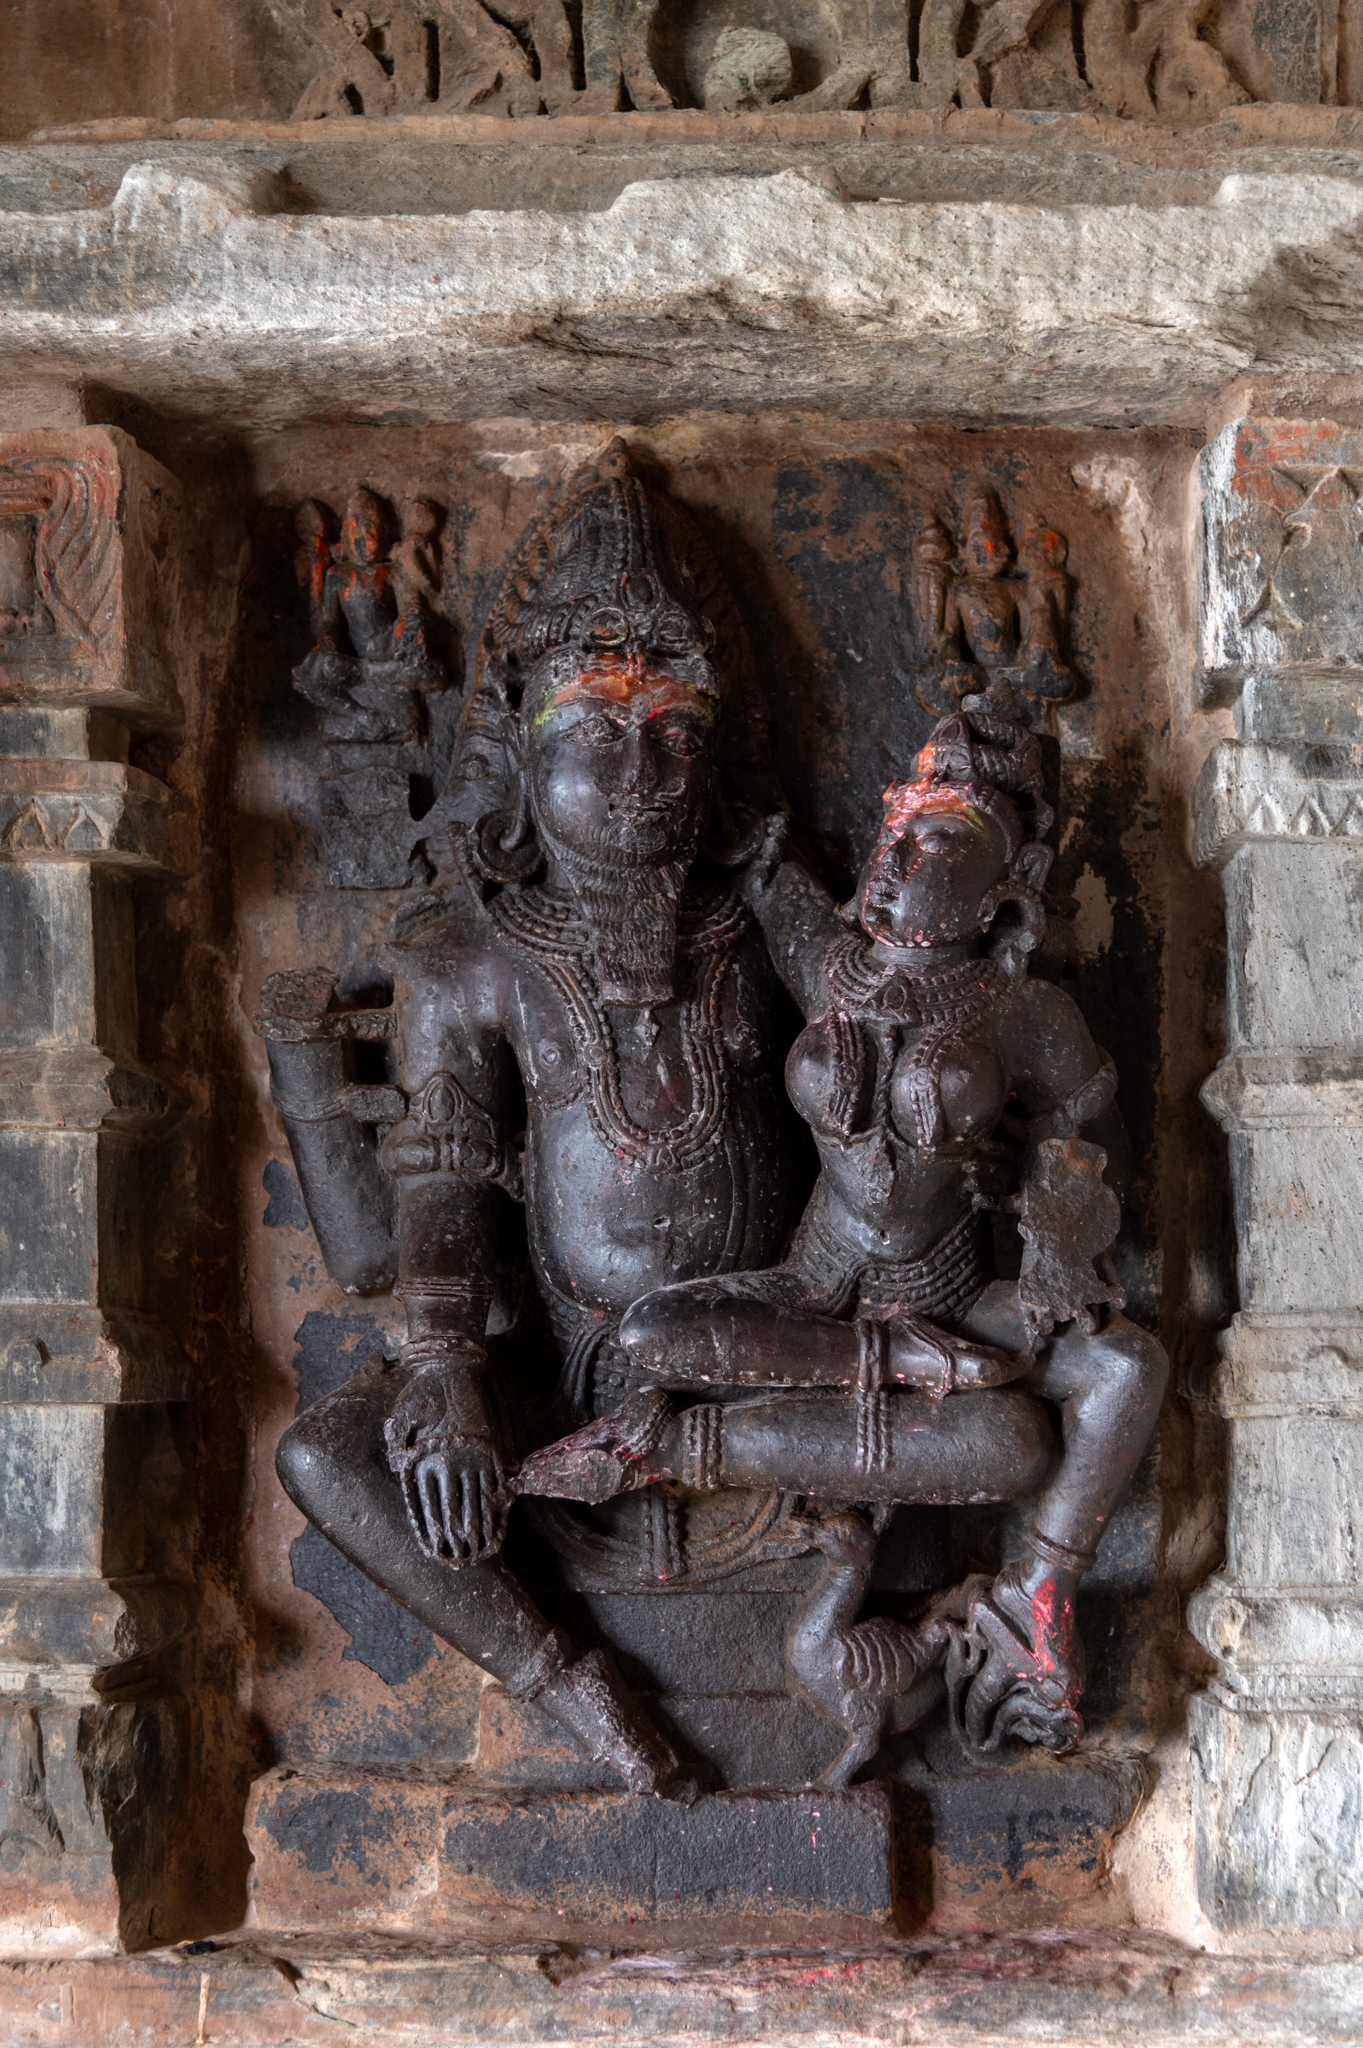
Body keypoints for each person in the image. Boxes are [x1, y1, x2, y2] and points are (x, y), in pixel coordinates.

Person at [518, 681, 1168, 1757]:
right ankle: (824, 1392)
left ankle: (1035, 1601)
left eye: (934, 842)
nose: (894, 858)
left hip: (948, 1293)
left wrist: (1050, 1214)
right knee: (648, 1333)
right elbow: (765, 872)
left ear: (1003, 894)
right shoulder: (829, 964)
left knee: (1104, 1383)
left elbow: (1091, 1132)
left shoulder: (1021, 1010)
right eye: (890, 831)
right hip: (812, 1292)